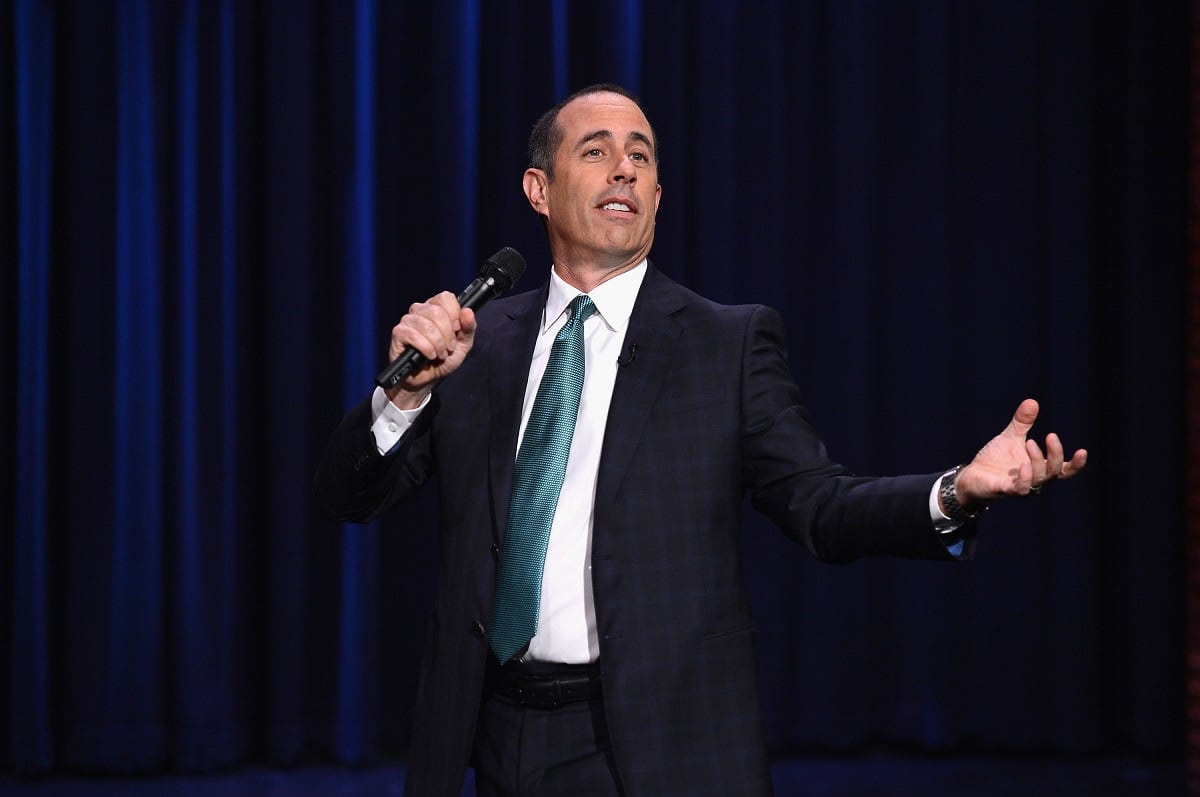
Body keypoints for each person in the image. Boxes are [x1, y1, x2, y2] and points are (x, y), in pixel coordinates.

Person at [316, 83, 1087, 797]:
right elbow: (350, 495)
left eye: (641, 156)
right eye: (597, 150)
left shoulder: (727, 343)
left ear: (657, 196)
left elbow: (818, 505)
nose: (624, 167)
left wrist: (954, 491)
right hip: (488, 733)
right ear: (538, 190)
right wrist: (404, 393)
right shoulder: (476, 344)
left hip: (652, 746)